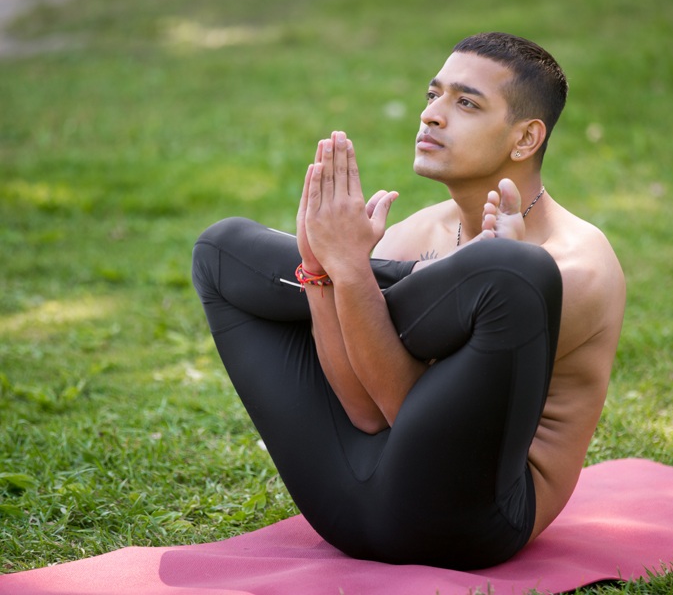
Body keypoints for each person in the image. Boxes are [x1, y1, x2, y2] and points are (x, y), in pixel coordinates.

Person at [192, 32, 625, 570]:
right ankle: (377, 275)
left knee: (514, 272)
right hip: (344, 502)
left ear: (525, 138)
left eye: (465, 102)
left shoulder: (575, 264)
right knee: (221, 251)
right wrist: (322, 272)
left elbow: (403, 413)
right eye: (432, 95)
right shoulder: (421, 231)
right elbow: (361, 408)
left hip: (471, 521)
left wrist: (354, 271)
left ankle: (421, 277)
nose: (433, 116)